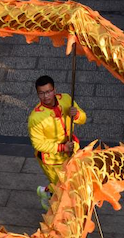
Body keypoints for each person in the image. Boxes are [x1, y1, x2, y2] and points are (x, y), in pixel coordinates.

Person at [28, 75, 86, 209]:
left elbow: (83, 118)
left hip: (72, 149)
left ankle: (46, 192)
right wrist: (61, 148)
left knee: (73, 179)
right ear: (37, 94)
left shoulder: (66, 99)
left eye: (48, 91)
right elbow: (38, 144)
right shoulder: (35, 117)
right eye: (41, 93)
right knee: (62, 185)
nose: (46, 96)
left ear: (54, 90)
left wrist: (76, 114)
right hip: (52, 159)